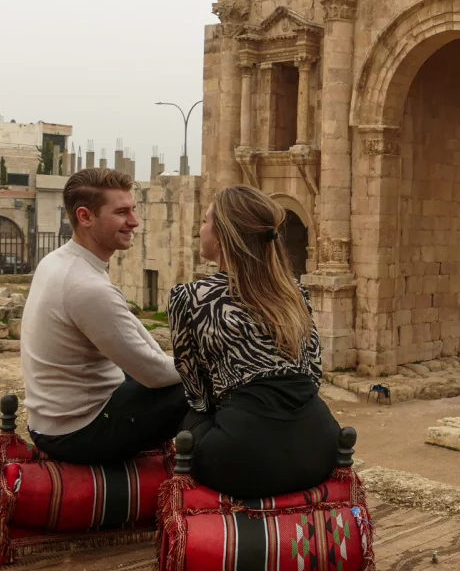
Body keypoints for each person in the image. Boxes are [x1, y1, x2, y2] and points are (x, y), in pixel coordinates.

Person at [168, 185, 340, 499]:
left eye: (205, 221)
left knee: (186, 415)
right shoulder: (294, 293)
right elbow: (313, 373)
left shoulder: (190, 298)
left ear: (222, 237)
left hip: (243, 461)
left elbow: (197, 393)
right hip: (319, 448)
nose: (200, 229)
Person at [21, 169, 187, 464]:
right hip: (77, 432)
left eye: (133, 210)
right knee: (204, 385)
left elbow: (140, 341)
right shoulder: (86, 286)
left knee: (186, 374)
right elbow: (154, 373)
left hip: (48, 422)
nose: (134, 221)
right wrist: (212, 365)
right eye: (122, 212)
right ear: (85, 216)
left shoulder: (60, 261)